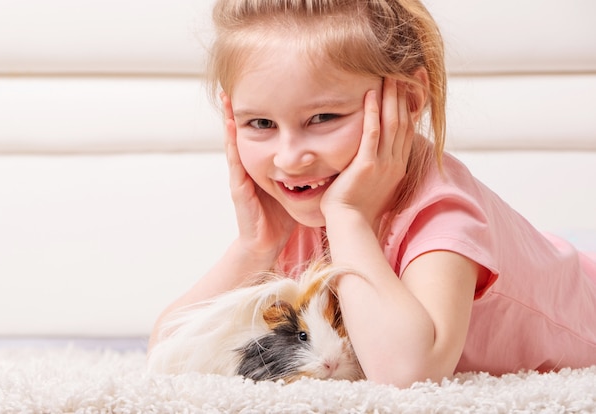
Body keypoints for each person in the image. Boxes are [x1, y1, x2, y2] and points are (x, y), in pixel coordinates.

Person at [148, 0, 596, 387]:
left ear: (408, 99)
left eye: (322, 118)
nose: (288, 159)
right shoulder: (301, 210)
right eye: (260, 124)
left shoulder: (443, 213)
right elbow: (168, 356)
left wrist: (348, 216)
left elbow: (408, 374)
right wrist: (255, 246)